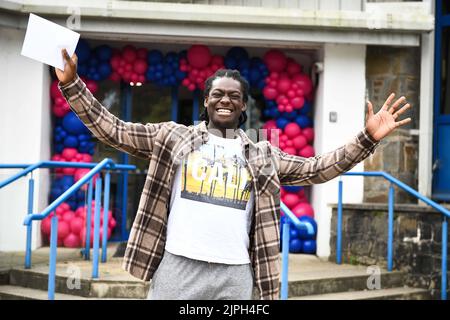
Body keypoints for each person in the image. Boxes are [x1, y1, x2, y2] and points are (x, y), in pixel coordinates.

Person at [55, 48, 411, 300]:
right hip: (179, 267)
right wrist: (73, 85)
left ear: (243, 106)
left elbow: (316, 169)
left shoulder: (261, 152)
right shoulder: (172, 137)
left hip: (236, 274)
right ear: (206, 101)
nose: (224, 100)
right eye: (217, 94)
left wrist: (366, 138)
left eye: (234, 96)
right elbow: (111, 130)